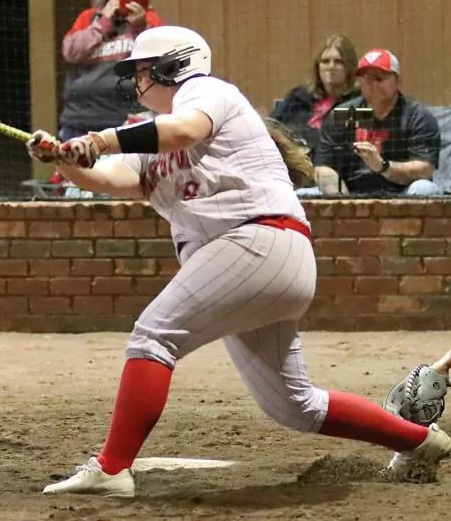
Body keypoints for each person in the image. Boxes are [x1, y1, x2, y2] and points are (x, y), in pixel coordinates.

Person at [26, 25, 451, 498]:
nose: (137, 80)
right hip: (256, 261)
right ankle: (421, 441)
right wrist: (63, 158)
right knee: (295, 405)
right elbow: (111, 179)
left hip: (255, 241)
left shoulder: (205, 92)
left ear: (173, 66)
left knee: (153, 336)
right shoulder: (146, 136)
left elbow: (183, 131)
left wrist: (101, 139)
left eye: (143, 70)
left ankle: (111, 468)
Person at [312, 48, 441, 196]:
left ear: (397, 81)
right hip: (351, 194)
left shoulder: (417, 117)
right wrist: (343, 201)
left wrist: (383, 166)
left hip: (402, 194)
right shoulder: (342, 115)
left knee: (424, 188)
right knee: (302, 193)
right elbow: (323, 167)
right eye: (367, 78)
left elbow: (424, 169)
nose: (373, 84)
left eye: (380, 78)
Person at [58, 0, 163, 142]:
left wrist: (139, 28)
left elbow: (158, 59)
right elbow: (71, 53)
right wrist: (103, 23)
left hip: (129, 118)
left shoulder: (150, 19)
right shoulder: (89, 17)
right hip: (81, 117)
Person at [271, 34, 360, 156]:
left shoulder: (357, 102)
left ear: (349, 67)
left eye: (338, 62)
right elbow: (272, 127)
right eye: (325, 61)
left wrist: (298, 135)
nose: (331, 67)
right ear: (318, 66)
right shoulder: (298, 96)